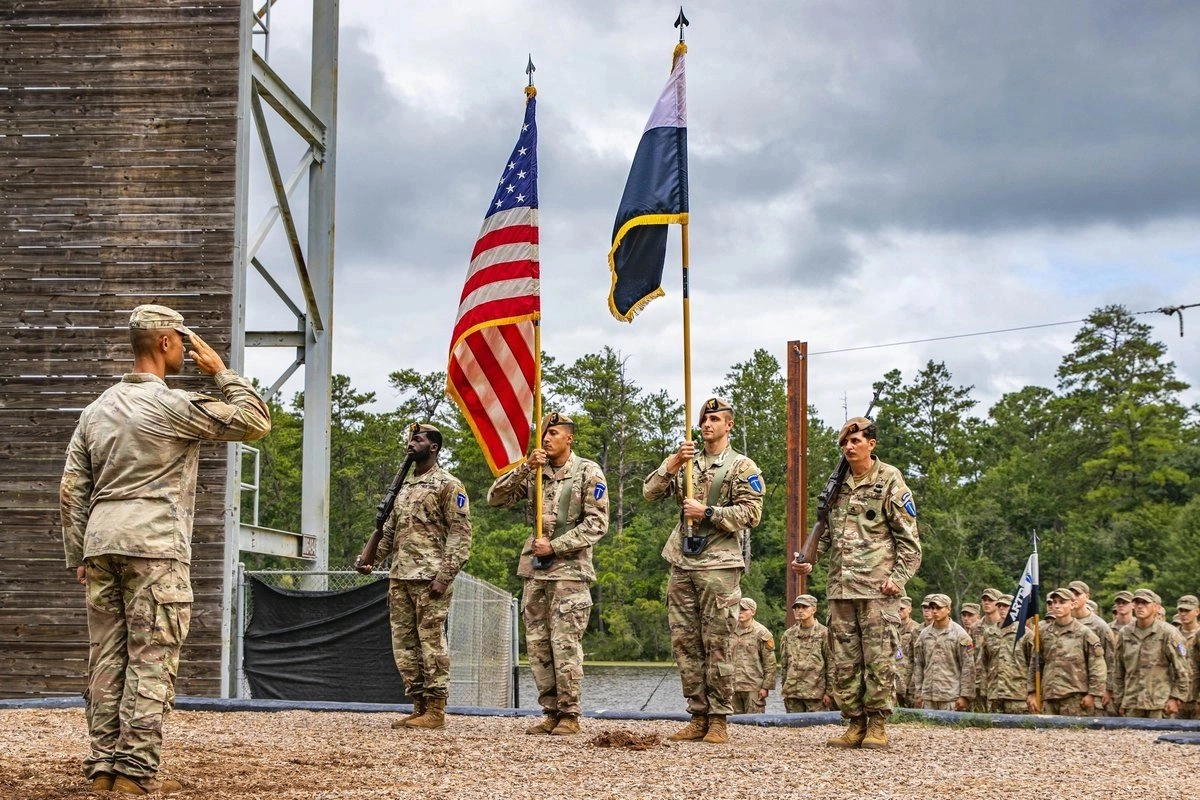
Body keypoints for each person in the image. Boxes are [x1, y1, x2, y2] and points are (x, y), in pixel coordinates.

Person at [60, 305, 271, 795]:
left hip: (101, 543)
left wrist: (78, 553)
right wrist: (221, 372)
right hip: (154, 545)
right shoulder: (173, 405)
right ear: (166, 343)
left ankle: (102, 767)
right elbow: (255, 420)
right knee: (150, 657)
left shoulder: (95, 411)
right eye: (182, 340)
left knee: (107, 659)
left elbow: (72, 488)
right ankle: (133, 773)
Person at [790, 416, 921, 749]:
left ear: (871, 444)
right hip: (841, 588)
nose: (849, 447)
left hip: (878, 588)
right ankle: (854, 722)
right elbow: (827, 535)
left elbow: (910, 541)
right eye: (845, 443)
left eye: (856, 441)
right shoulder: (837, 485)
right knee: (844, 661)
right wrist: (808, 559)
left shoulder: (889, 479)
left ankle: (877, 724)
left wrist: (898, 579)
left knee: (879, 658)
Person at [643, 396, 764, 745]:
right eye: (703, 420)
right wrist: (671, 464)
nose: (707, 424)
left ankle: (719, 718)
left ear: (729, 425)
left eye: (715, 419)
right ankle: (697, 714)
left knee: (718, 642)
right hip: (683, 561)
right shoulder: (687, 463)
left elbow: (751, 514)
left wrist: (708, 512)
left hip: (719, 564)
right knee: (685, 642)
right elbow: (650, 492)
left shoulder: (741, 466)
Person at [487, 412, 609, 736]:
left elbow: (597, 524)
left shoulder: (587, 472)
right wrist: (525, 467)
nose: (546, 438)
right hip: (536, 572)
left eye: (553, 433)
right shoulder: (535, 472)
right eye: (543, 433)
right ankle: (551, 711)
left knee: (564, 644)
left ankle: (570, 713)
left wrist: (555, 546)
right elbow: (495, 498)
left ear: (569, 437)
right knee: (538, 645)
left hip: (569, 572)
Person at [355, 423, 472, 730]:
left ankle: (436, 709)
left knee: (431, 642)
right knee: (404, 645)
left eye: (418, 439)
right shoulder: (404, 488)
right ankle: (418, 705)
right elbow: (389, 532)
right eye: (410, 439)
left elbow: (460, 535)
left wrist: (444, 577)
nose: (411, 443)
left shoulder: (448, 485)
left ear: (433, 447)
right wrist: (371, 560)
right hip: (400, 577)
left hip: (429, 577)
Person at [1027, 588, 1106, 716]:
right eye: (1054, 602)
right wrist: (1032, 692)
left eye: (1062, 602)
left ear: (1072, 605)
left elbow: (1097, 666)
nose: (1056, 606)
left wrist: (1093, 694)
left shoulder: (1084, 633)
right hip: (1049, 696)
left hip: (1075, 699)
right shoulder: (1043, 632)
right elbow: (1035, 663)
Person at [1113, 589, 1190, 719]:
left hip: (1160, 704)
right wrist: (1120, 699)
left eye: (1145, 603)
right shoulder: (1125, 633)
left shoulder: (1168, 633)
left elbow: (1182, 669)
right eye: (1137, 603)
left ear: (1156, 607)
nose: (1140, 606)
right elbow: (1118, 670)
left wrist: (1176, 698)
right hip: (1132, 703)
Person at [911, 594, 975, 711]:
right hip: (928, 697)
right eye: (932, 608)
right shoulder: (924, 634)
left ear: (948, 609)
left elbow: (968, 666)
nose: (935, 611)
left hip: (951, 697)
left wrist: (965, 696)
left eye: (939, 608)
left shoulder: (960, 635)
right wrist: (918, 692)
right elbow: (919, 665)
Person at [779, 595, 833, 713]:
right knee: (793, 724)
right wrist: (785, 689)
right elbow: (784, 664)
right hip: (792, 693)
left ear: (814, 609)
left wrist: (829, 692)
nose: (800, 610)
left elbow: (831, 664)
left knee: (818, 724)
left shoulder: (824, 634)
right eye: (797, 607)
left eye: (804, 607)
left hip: (815, 694)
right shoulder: (789, 634)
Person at [1069, 580, 1115, 712]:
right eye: (1071, 594)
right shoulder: (1063, 622)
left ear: (1087, 596)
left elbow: (1111, 659)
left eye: (1077, 594)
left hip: (1092, 690)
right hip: (1067, 689)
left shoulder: (1099, 626)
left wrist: (1108, 689)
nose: (1074, 598)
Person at [979, 595, 1029, 714]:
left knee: (1020, 726)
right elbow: (983, 663)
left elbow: (1033, 664)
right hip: (994, 693)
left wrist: (1033, 692)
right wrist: (983, 690)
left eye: (1006, 606)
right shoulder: (989, 633)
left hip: (1017, 694)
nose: (1002, 609)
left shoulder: (1025, 634)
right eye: (1000, 606)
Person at [730, 598, 777, 714]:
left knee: (754, 721)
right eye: (738, 608)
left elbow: (770, 663)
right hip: (731, 686)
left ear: (753, 612)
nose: (740, 612)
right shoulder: (729, 630)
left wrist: (765, 687)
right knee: (731, 722)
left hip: (753, 687)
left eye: (744, 609)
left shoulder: (762, 633)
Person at [894, 596, 920, 708]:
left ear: (909, 609)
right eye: (897, 609)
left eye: (902, 609)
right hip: (894, 675)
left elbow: (918, 658)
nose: (899, 611)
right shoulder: (891, 627)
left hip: (909, 677)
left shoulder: (916, 629)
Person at [1176, 595, 1199, 719]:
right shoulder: (1172, 634)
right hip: (1176, 697)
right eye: (1181, 610)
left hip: (1195, 696)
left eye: (1187, 610)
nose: (1183, 614)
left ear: (1197, 611)